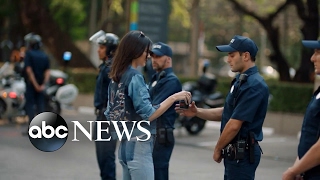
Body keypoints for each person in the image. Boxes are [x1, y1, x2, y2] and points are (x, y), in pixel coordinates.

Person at [176, 35, 269, 180]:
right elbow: (227, 112)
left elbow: (234, 124)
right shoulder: (241, 80)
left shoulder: (253, 85)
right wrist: (196, 112)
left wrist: (218, 148)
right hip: (235, 154)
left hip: (242, 155)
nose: (228, 59)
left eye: (232, 55)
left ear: (245, 56)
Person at [104, 30, 191, 180]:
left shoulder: (117, 76)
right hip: (139, 145)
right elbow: (149, 114)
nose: (149, 56)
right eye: (146, 51)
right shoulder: (135, 76)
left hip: (125, 145)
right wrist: (174, 97)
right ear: (136, 51)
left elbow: (109, 113)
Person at [282, 39, 320, 180]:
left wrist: (292, 172)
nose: (312, 58)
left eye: (318, 53)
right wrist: (298, 168)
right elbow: (310, 137)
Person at [148, 42, 182, 180]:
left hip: (161, 135)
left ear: (168, 59)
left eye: (158, 56)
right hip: (152, 133)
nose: (153, 60)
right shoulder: (156, 77)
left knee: (158, 173)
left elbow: (153, 106)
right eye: (152, 56)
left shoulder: (171, 81)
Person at [90, 31, 119, 180]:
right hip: (101, 117)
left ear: (110, 50)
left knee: (107, 159)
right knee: (102, 159)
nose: (98, 50)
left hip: (108, 120)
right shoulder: (105, 67)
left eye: (102, 47)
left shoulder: (111, 69)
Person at [23, 33, 50, 134]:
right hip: (41, 85)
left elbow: (29, 71)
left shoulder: (29, 55)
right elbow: (47, 72)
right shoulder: (44, 55)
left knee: (30, 106)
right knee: (40, 106)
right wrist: (43, 85)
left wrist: (35, 85)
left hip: (32, 85)